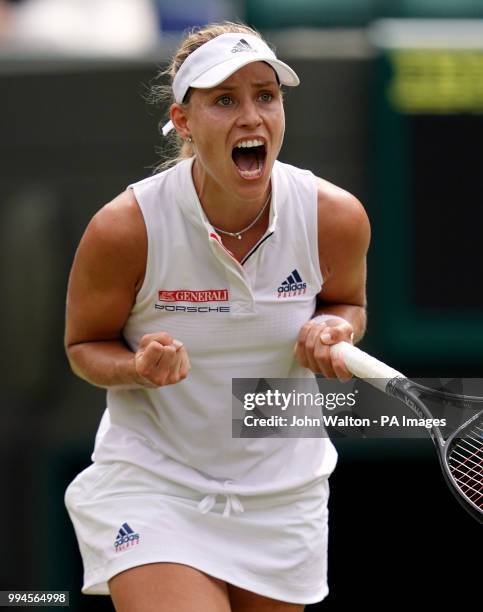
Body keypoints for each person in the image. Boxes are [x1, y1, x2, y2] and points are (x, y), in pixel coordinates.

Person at [64, 21, 370, 612]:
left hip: (284, 489)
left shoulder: (335, 216)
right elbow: (84, 346)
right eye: (224, 100)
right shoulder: (125, 227)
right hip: (154, 484)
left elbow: (347, 304)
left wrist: (338, 329)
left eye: (266, 95)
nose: (252, 116)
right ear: (183, 121)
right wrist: (137, 369)